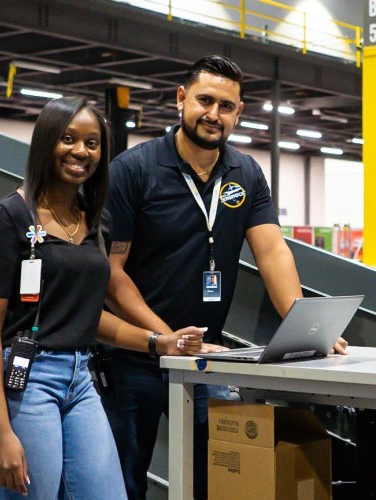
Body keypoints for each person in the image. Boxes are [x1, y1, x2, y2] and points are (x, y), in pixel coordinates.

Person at [102, 55, 348, 500]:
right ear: (181, 99)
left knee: (217, 474)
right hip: (134, 356)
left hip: (206, 358)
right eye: (204, 100)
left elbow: (272, 251)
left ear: (239, 112)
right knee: (124, 478)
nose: (213, 114)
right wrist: (166, 337)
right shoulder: (134, 170)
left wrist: (307, 327)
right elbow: (112, 273)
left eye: (226, 106)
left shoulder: (245, 174)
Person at [0, 96, 205, 500]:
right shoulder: (9, 218)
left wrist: (157, 342)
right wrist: (0, 432)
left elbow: (86, 317)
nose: (81, 152)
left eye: (93, 144)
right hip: (20, 381)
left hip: (78, 379)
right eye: (69, 139)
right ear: (45, 143)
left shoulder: (95, 221)